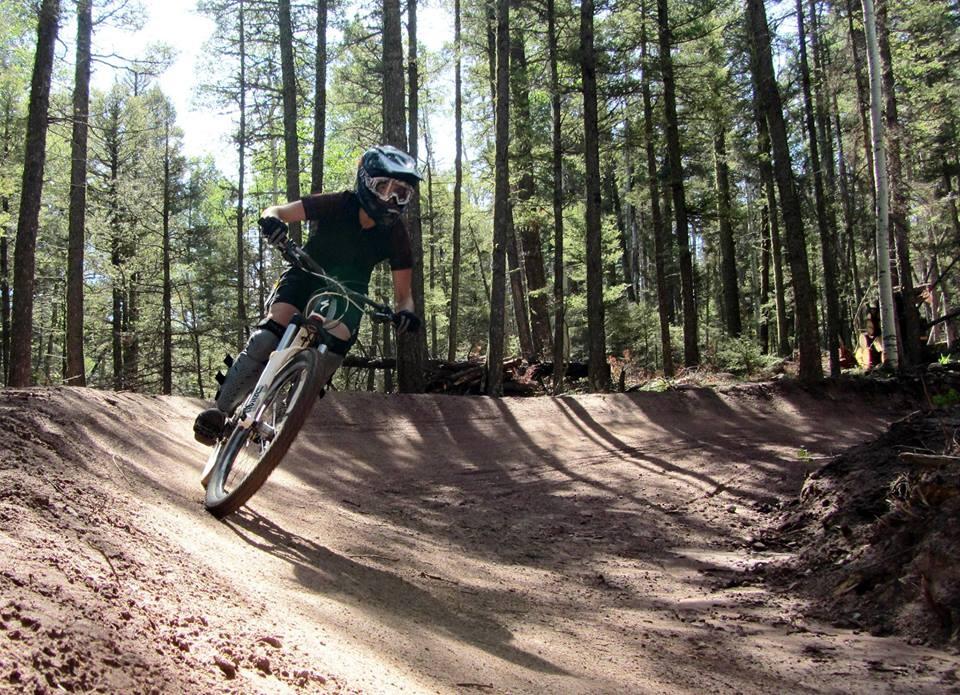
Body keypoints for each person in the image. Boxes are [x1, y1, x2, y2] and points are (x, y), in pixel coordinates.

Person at [193, 144, 423, 445]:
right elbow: (277, 211)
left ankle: (289, 411)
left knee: (334, 347)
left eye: (401, 194)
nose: (391, 200)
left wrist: (405, 312)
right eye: (384, 188)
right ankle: (220, 412)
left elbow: (404, 296)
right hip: (306, 271)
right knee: (269, 336)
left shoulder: (396, 234)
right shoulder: (340, 203)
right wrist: (273, 222)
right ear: (365, 181)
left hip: (350, 293)